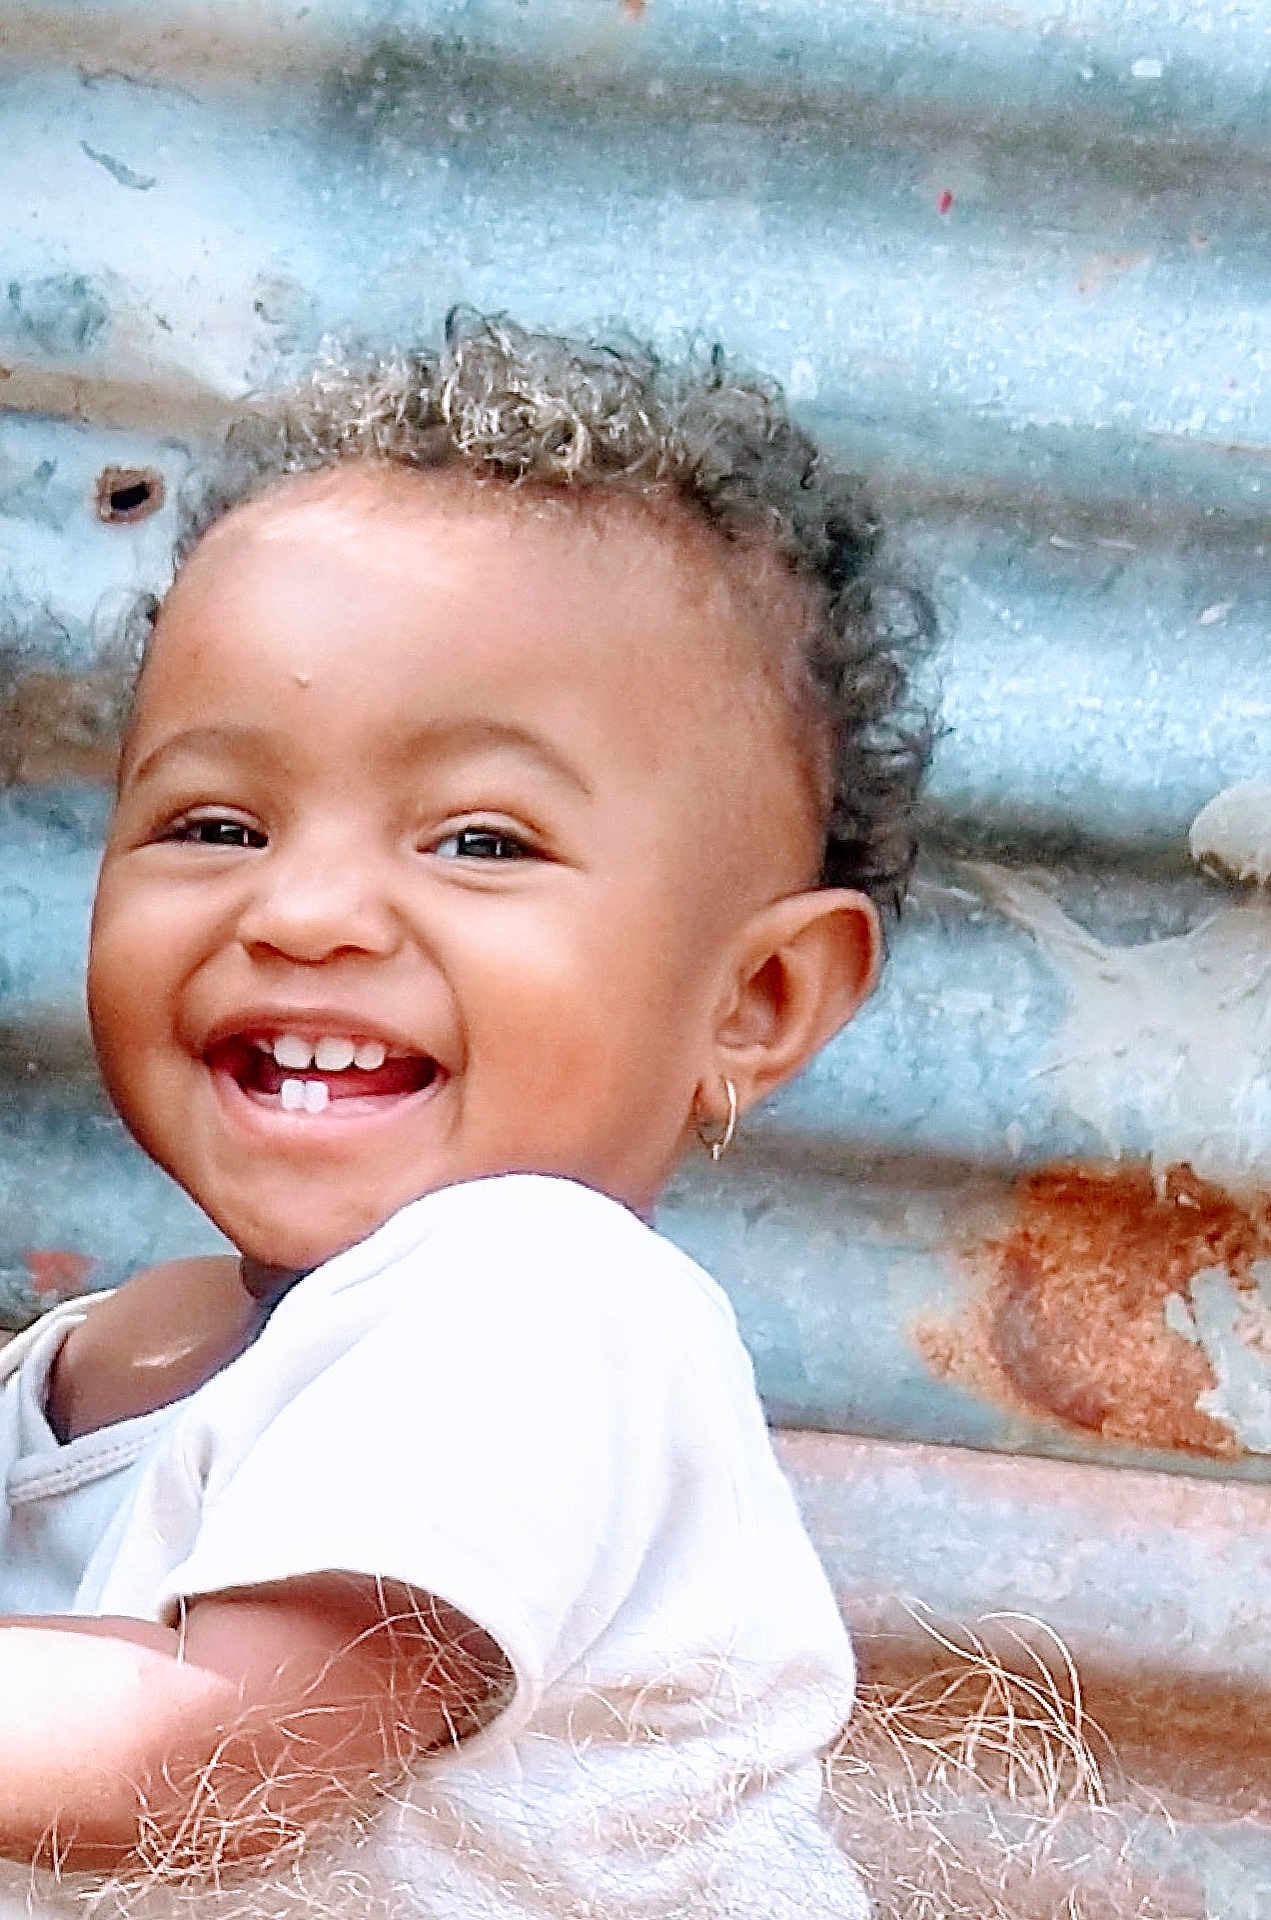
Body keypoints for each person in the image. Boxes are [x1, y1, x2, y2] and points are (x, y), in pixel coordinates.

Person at [0, 312, 932, 1918]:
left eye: (481, 843)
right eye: (217, 820)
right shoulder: (112, 1357)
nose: (304, 913)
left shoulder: (543, 1305)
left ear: (755, 1001)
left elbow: (209, 1760)